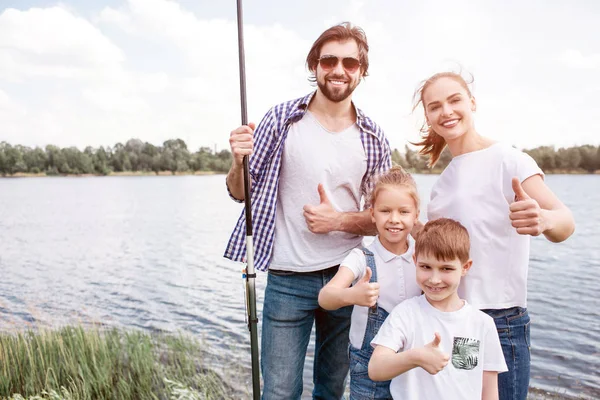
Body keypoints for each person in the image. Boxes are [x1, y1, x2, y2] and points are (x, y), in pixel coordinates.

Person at [224, 22, 391, 399]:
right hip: (287, 279)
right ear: (314, 65)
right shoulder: (281, 119)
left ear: (362, 71)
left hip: (348, 278)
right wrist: (237, 161)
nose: (338, 69)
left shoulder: (374, 136)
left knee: (332, 390)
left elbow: (388, 217)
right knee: (280, 392)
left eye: (350, 63)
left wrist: (341, 221)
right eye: (329, 60)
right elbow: (240, 192)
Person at [411, 71, 575, 400]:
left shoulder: (508, 160)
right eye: (435, 106)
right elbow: (441, 255)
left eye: (454, 100)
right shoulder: (443, 184)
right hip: (459, 322)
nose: (446, 111)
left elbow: (566, 222)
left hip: (501, 322)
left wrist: (542, 219)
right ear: (428, 117)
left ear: (472, 103)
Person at [368, 218, 508, 400]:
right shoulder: (406, 313)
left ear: (465, 267)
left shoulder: (482, 324)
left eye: (446, 269)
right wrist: (415, 357)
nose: (434, 279)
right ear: (415, 261)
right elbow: (375, 368)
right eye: (426, 267)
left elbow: (489, 391)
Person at [318, 166, 422, 400]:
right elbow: (325, 297)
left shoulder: (423, 257)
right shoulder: (361, 258)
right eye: (385, 211)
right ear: (372, 214)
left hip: (413, 367)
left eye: (403, 212)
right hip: (368, 371)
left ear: (416, 215)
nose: (394, 219)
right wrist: (352, 295)